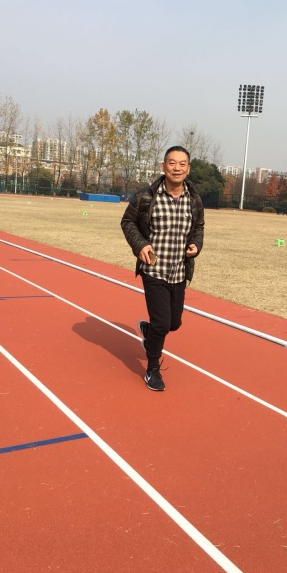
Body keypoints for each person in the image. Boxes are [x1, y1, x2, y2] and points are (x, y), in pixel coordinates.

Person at [120, 146, 205, 391]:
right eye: (172, 163)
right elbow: (128, 221)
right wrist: (140, 245)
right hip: (154, 269)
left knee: (173, 323)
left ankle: (149, 332)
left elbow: (199, 227)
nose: (177, 168)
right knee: (161, 322)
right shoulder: (146, 196)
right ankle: (152, 369)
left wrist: (196, 245)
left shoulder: (194, 199)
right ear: (163, 166)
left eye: (182, 164)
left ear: (188, 169)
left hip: (179, 272)